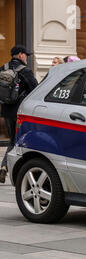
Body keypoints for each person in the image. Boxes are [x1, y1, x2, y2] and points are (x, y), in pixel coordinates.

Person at [0, 45, 38, 183]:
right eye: (26, 55)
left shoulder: (3, 68)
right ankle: (10, 168)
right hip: (20, 112)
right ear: (20, 55)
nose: (27, 57)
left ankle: (4, 166)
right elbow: (36, 88)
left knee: (13, 139)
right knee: (17, 141)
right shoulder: (25, 71)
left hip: (6, 111)